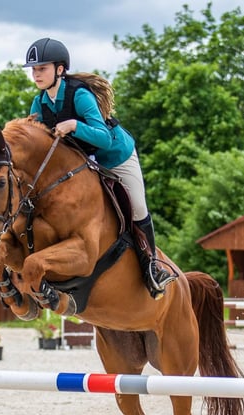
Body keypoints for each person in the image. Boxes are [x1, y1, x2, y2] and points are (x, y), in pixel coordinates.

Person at [23, 37, 175, 299]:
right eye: (34, 70)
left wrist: (74, 125)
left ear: (60, 70)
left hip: (116, 156)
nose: (36, 74)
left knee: (137, 206)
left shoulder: (79, 95)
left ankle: (152, 266)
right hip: (84, 162)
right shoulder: (39, 103)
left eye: (42, 68)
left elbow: (102, 137)